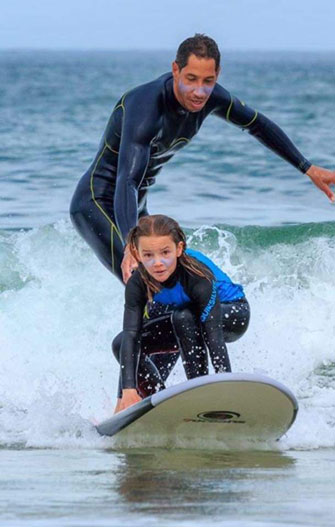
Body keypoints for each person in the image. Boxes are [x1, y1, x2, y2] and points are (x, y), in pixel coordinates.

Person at [70, 34, 335, 285]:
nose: (199, 91)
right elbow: (127, 180)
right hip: (97, 203)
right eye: (191, 79)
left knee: (178, 285)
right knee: (144, 281)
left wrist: (307, 168)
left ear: (217, 75)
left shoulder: (213, 97)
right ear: (176, 69)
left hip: (135, 209)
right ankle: (135, 332)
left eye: (207, 81)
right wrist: (132, 245)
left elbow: (258, 124)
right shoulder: (145, 108)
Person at [112, 214, 250, 413]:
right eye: (148, 255)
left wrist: (223, 389)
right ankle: (156, 401)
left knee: (183, 316)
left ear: (179, 249)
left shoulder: (196, 276)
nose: (157, 263)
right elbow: (132, 335)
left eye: (165, 253)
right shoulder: (138, 283)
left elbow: (214, 339)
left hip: (232, 313)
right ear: (137, 253)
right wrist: (126, 392)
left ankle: (201, 394)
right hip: (186, 316)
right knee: (121, 342)